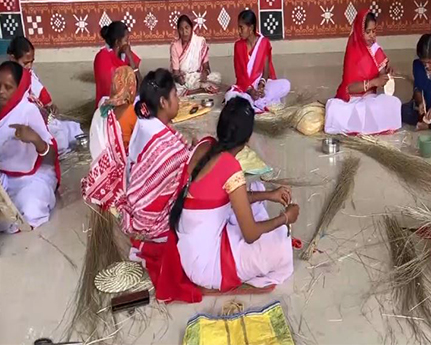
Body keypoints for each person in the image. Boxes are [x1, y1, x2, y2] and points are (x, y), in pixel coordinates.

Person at [158, 97, 298, 299]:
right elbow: (250, 234)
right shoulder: (230, 168)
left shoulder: (205, 145)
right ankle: (218, 282)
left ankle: (263, 205)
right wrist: (285, 218)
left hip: (191, 249)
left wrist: (270, 194)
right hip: (206, 267)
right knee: (280, 247)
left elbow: (224, 199)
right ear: (248, 139)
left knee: (256, 191)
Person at [120, 69, 191, 242]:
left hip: (136, 197)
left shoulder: (146, 121)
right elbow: (188, 166)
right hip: (151, 218)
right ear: (163, 102)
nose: (178, 100)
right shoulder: (168, 150)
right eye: (175, 95)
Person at [0, 62, 59, 232]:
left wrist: (35, 139)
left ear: (18, 89)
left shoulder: (27, 111)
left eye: (8, 87)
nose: (1, 91)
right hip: (3, 177)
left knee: (31, 208)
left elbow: (51, 156)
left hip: (32, 177)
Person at [324, 10, 401, 135]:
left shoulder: (375, 48)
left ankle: (364, 126)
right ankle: (367, 126)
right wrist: (374, 82)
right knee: (334, 110)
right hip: (352, 101)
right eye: (368, 32)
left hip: (370, 99)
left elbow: (382, 72)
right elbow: (349, 88)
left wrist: (387, 74)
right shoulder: (353, 52)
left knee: (394, 104)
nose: (372, 36)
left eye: (374, 31)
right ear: (360, 32)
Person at [8, 36, 83, 155]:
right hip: (24, 128)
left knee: (73, 128)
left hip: (42, 120)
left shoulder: (30, 74)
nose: (29, 66)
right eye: (25, 63)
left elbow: (43, 99)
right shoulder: (8, 80)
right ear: (12, 58)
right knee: (60, 140)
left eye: (32, 62)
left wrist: (50, 107)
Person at [225, 10, 290, 113]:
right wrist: (250, 90)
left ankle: (257, 102)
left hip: (260, 84)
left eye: (241, 27)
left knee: (286, 84)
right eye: (239, 27)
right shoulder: (238, 46)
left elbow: (266, 69)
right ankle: (260, 102)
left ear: (250, 28)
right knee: (230, 96)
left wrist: (261, 86)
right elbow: (239, 74)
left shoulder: (264, 43)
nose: (239, 31)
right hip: (245, 87)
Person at [89, 66, 138, 161]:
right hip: (126, 165)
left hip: (104, 165)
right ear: (132, 88)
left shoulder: (101, 112)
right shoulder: (132, 113)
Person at [170, 14, 221, 96]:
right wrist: (179, 78)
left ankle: (190, 91)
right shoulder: (175, 46)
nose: (184, 32)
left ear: (191, 29)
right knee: (173, 87)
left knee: (216, 77)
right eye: (181, 29)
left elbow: (207, 67)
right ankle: (200, 90)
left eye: (187, 28)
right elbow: (175, 73)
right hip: (184, 79)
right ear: (178, 31)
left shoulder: (200, 42)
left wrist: (205, 73)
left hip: (197, 77)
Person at [94, 21, 141, 107]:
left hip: (125, 104)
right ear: (117, 42)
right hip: (108, 107)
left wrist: (131, 59)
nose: (128, 43)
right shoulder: (102, 58)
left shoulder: (126, 55)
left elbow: (140, 86)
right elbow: (112, 92)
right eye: (126, 40)